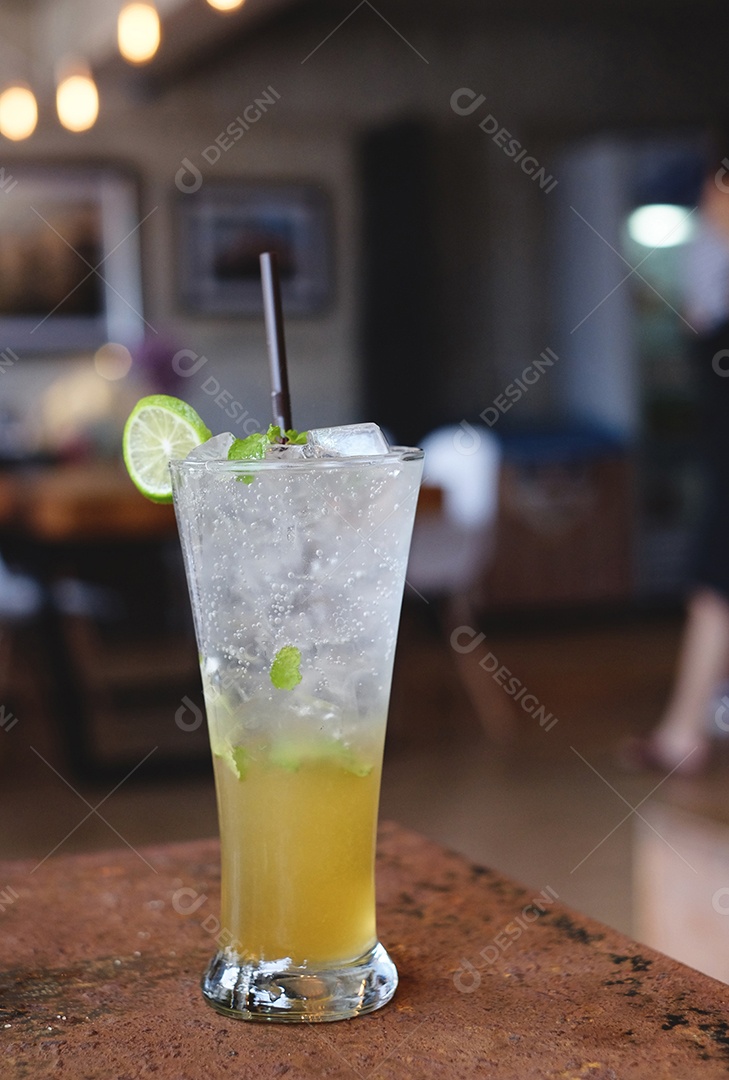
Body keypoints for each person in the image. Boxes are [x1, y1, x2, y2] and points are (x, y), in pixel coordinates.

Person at [623, 155, 729, 777]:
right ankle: (684, 728)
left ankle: (683, 730)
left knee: (715, 583)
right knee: (714, 581)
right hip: (718, 447)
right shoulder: (704, 250)